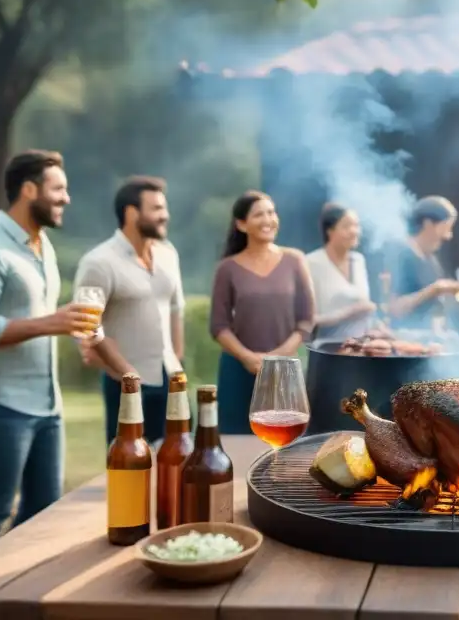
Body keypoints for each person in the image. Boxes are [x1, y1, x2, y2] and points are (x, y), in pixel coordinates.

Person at [0, 150, 96, 559]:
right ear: (28, 190)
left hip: (47, 407)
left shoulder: (43, 247)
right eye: (59, 189)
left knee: (42, 513)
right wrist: (52, 322)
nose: (66, 198)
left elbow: (36, 319)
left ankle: (12, 594)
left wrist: (72, 332)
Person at [74, 176, 186, 446]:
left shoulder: (168, 253)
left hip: (171, 379)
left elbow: (175, 307)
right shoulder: (99, 262)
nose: (165, 216)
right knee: (129, 469)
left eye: (164, 208)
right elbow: (86, 327)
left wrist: (178, 360)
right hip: (124, 385)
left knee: (180, 465)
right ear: (131, 212)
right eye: (157, 209)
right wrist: (127, 373)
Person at [209, 191, 316, 434]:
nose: (268, 219)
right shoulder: (227, 268)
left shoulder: (294, 260)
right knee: (235, 440)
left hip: (285, 368)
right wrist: (248, 357)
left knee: (284, 442)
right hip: (238, 369)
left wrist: (277, 356)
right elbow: (219, 325)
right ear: (241, 224)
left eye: (271, 212)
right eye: (259, 214)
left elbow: (307, 319)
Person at [387, 195, 459, 331]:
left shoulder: (431, 258)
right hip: (404, 339)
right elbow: (395, 309)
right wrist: (434, 289)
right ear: (428, 224)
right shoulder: (401, 254)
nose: (449, 235)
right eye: (446, 227)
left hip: (429, 341)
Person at [305, 203, 376, 343]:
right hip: (326, 347)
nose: (354, 231)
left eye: (357, 225)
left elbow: (364, 308)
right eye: (347, 226)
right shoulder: (311, 263)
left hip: (361, 347)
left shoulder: (359, 260)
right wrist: (349, 312)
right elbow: (306, 320)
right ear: (329, 231)